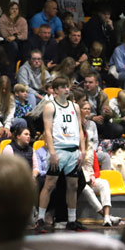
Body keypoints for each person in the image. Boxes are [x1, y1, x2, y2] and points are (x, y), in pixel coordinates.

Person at [36, 76, 87, 233]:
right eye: (63, 87)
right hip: (58, 149)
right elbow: (47, 131)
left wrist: (83, 150)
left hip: (73, 150)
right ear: (56, 90)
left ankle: (71, 220)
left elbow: (80, 129)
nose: (67, 89)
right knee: (49, 185)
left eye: (67, 86)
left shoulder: (75, 106)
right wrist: (52, 152)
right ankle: (40, 219)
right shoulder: (50, 107)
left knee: (73, 186)